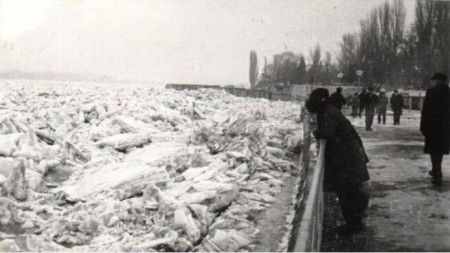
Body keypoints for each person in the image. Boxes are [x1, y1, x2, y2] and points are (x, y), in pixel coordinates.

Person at [306, 88, 370, 234]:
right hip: (347, 156)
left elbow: (326, 132)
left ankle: (353, 224)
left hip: (346, 158)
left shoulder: (329, 112)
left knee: (346, 191)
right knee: (350, 190)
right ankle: (354, 221)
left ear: (320, 99)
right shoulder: (328, 109)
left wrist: (314, 131)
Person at [420, 73, 450, 186]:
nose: (432, 82)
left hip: (433, 126)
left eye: (433, 80)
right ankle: (435, 170)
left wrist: (423, 127)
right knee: (440, 150)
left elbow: (426, 112)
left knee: (434, 151)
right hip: (445, 127)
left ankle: (437, 175)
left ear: (437, 81)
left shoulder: (431, 92)